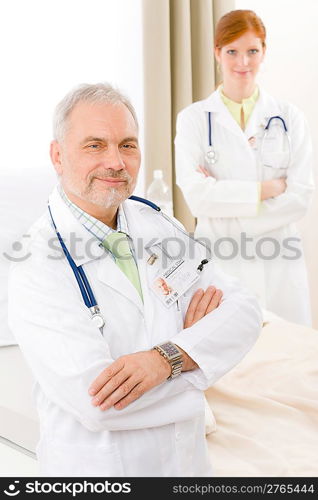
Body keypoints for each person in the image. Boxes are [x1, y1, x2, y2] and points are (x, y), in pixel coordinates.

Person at [8, 83, 262, 477]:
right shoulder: (36, 264)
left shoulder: (156, 221)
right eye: (95, 145)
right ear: (58, 155)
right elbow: (99, 403)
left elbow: (243, 309)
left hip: (189, 467)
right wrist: (199, 355)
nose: (116, 161)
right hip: (103, 474)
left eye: (127, 145)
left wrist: (166, 359)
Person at [175, 10, 314, 326]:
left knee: (287, 359)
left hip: (279, 261)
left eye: (252, 51)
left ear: (264, 51)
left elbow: (300, 196)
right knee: (229, 359)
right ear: (217, 53)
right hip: (224, 260)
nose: (243, 62)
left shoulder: (290, 118)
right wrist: (265, 190)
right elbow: (197, 198)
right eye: (232, 52)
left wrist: (226, 204)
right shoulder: (194, 120)